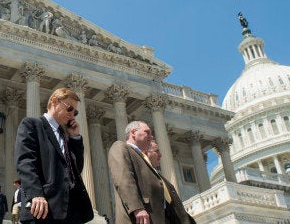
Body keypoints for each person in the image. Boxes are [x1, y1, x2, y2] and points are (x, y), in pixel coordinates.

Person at [14, 87, 94, 223]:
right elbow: (25, 161)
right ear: (54, 101)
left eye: (75, 111)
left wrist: (75, 138)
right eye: (70, 108)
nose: (72, 115)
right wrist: (36, 194)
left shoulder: (64, 134)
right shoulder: (32, 124)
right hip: (44, 207)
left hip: (70, 210)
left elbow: (76, 170)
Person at [108, 121, 195, 224]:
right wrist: (137, 208)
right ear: (133, 133)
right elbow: (123, 179)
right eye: (147, 132)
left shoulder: (145, 160)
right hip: (142, 217)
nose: (151, 135)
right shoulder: (121, 147)